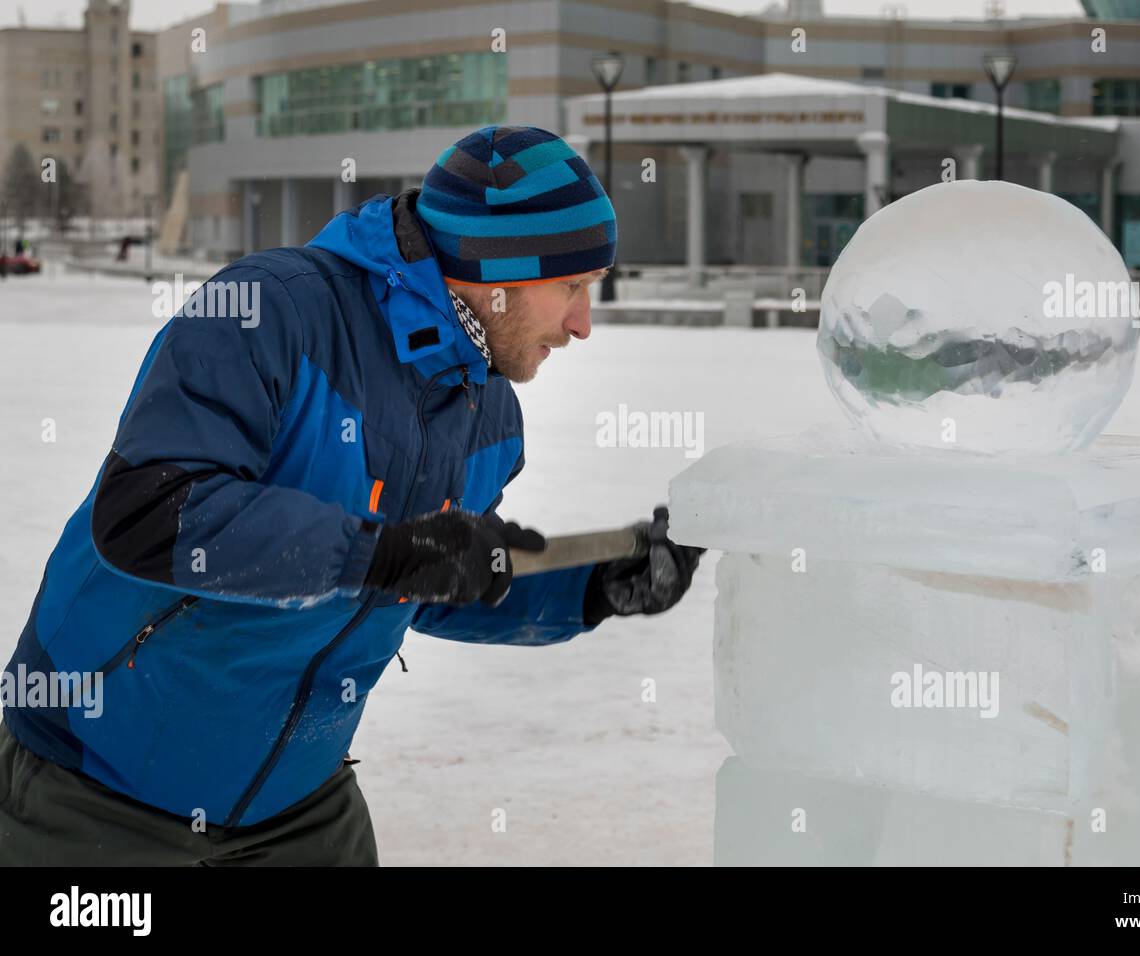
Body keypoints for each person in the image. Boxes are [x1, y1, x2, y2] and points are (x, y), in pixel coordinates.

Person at [0, 125, 702, 866]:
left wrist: (590, 589)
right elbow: (148, 512)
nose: (583, 324)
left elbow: (431, 581)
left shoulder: (490, 413)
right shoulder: (270, 313)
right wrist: (380, 553)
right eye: (572, 287)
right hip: (91, 794)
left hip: (299, 809)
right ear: (495, 270)